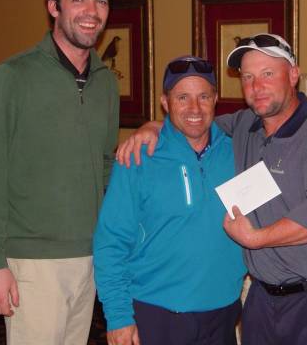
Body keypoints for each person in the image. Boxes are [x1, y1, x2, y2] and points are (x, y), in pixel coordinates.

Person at [117, 34, 307, 345]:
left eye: (267, 74)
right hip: (262, 301)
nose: (256, 86)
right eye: (248, 77)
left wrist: (255, 238)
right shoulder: (245, 126)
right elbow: (194, 122)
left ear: (293, 74)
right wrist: (152, 126)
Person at [0, 0, 119, 344]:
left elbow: (104, 168)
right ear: (54, 6)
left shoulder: (106, 83)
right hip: (29, 264)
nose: (91, 12)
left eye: (100, 2)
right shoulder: (12, 78)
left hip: (88, 259)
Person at [93, 56, 246, 345]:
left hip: (223, 313)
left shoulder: (238, 152)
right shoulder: (137, 157)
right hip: (157, 314)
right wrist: (118, 316)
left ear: (215, 99)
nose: (194, 108)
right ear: (165, 102)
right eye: (182, 97)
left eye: (203, 96)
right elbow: (111, 242)